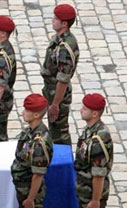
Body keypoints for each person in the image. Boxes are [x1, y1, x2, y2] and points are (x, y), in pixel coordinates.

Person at [41, 4, 79, 145]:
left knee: (59, 133)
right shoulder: (59, 39)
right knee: (54, 129)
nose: (53, 20)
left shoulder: (64, 48)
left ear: (64, 24)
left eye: (56, 19)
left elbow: (63, 80)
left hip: (58, 94)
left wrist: (55, 104)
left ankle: (64, 163)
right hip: (51, 89)